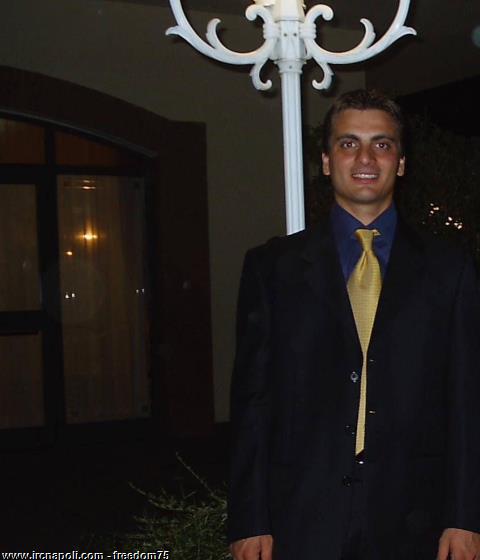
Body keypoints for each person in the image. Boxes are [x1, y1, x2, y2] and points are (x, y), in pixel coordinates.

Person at [227, 89, 480, 560]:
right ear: (326, 161)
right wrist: (249, 519)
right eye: (349, 144)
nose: (366, 158)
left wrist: (465, 516)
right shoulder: (272, 268)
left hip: (414, 516)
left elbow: (467, 401)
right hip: (300, 512)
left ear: (400, 163)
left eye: (382, 144)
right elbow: (253, 403)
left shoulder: (451, 270)